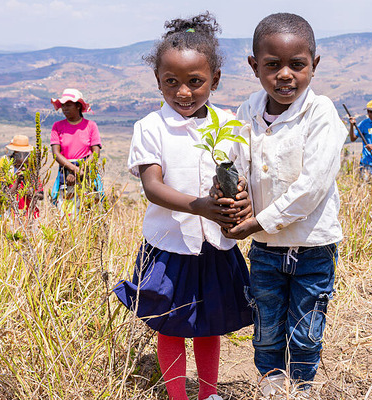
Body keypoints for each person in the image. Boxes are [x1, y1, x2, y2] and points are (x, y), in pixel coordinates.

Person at [111, 13, 253, 400]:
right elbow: (153, 188)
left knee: (209, 325)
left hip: (215, 247)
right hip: (169, 249)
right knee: (171, 326)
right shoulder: (150, 127)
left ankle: (207, 394)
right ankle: (178, 396)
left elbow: (241, 177)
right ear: (158, 81)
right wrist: (201, 206)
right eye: (171, 82)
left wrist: (237, 198)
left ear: (215, 80)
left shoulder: (228, 125)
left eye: (196, 82)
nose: (183, 93)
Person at [218, 12, 345, 397]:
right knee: (267, 321)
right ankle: (271, 384)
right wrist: (231, 196)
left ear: (314, 65)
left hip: (312, 246)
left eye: (297, 65)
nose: (285, 74)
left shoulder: (321, 113)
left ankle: (303, 386)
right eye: (272, 65)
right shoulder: (249, 111)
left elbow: (312, 188)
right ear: (255, 66)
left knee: (307, 325)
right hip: (266, 252)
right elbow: (236, 162)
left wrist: (256, 222)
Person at [49, 88, 103, 203]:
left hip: (87, 170)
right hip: (66, 171)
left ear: (78, 106)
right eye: (63, 105)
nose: (64, 109)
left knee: (88, 206)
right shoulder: (57, 126)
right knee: (67, 207)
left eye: (68, 105)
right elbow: (56, 153)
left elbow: (95, 153)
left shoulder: (91, 126)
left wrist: (82, 170)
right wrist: (73, 170)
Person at [0, 135, 44, 219]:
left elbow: (41, 195)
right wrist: (17, 182)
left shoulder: (32, 168)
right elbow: (5, 195)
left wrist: (33, 194)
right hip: (12, 212)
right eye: (19, 153)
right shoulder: (6, 163)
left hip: (30, 212)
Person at [347, 99, 372, 179]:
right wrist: (352, 126)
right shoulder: (364, 123)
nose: (369, 114)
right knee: (364, 185)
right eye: (368, 111)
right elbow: (353, 138)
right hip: (366, 162)